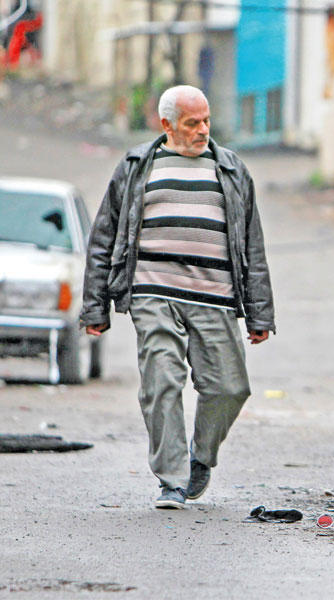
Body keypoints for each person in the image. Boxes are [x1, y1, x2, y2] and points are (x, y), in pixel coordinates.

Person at [80, 85, 275, 509]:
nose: (203, 130)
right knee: (161, 381)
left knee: (230, 387)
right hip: (153, 291)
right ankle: (172, 479)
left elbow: (252, 245)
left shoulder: (231, 169)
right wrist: (95, 306)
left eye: (206, 120)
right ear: (166, 124)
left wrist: (260, 314)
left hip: (215, 296)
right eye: (192, 123)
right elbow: (104, 237)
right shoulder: (136, 166)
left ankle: (200, 457)